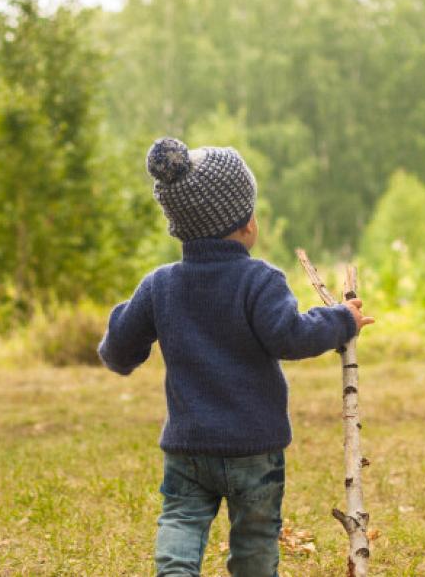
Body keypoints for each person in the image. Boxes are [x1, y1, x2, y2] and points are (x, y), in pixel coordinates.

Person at [97, 137, 374, 577]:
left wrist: (118, 341)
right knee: (256, 538)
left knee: (181, 520)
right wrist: (341, 320)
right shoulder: (260, 280)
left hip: (189, 448)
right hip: (254, 448)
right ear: (246, 224)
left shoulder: (160, 285)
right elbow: (291, 336)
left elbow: (118, 350)